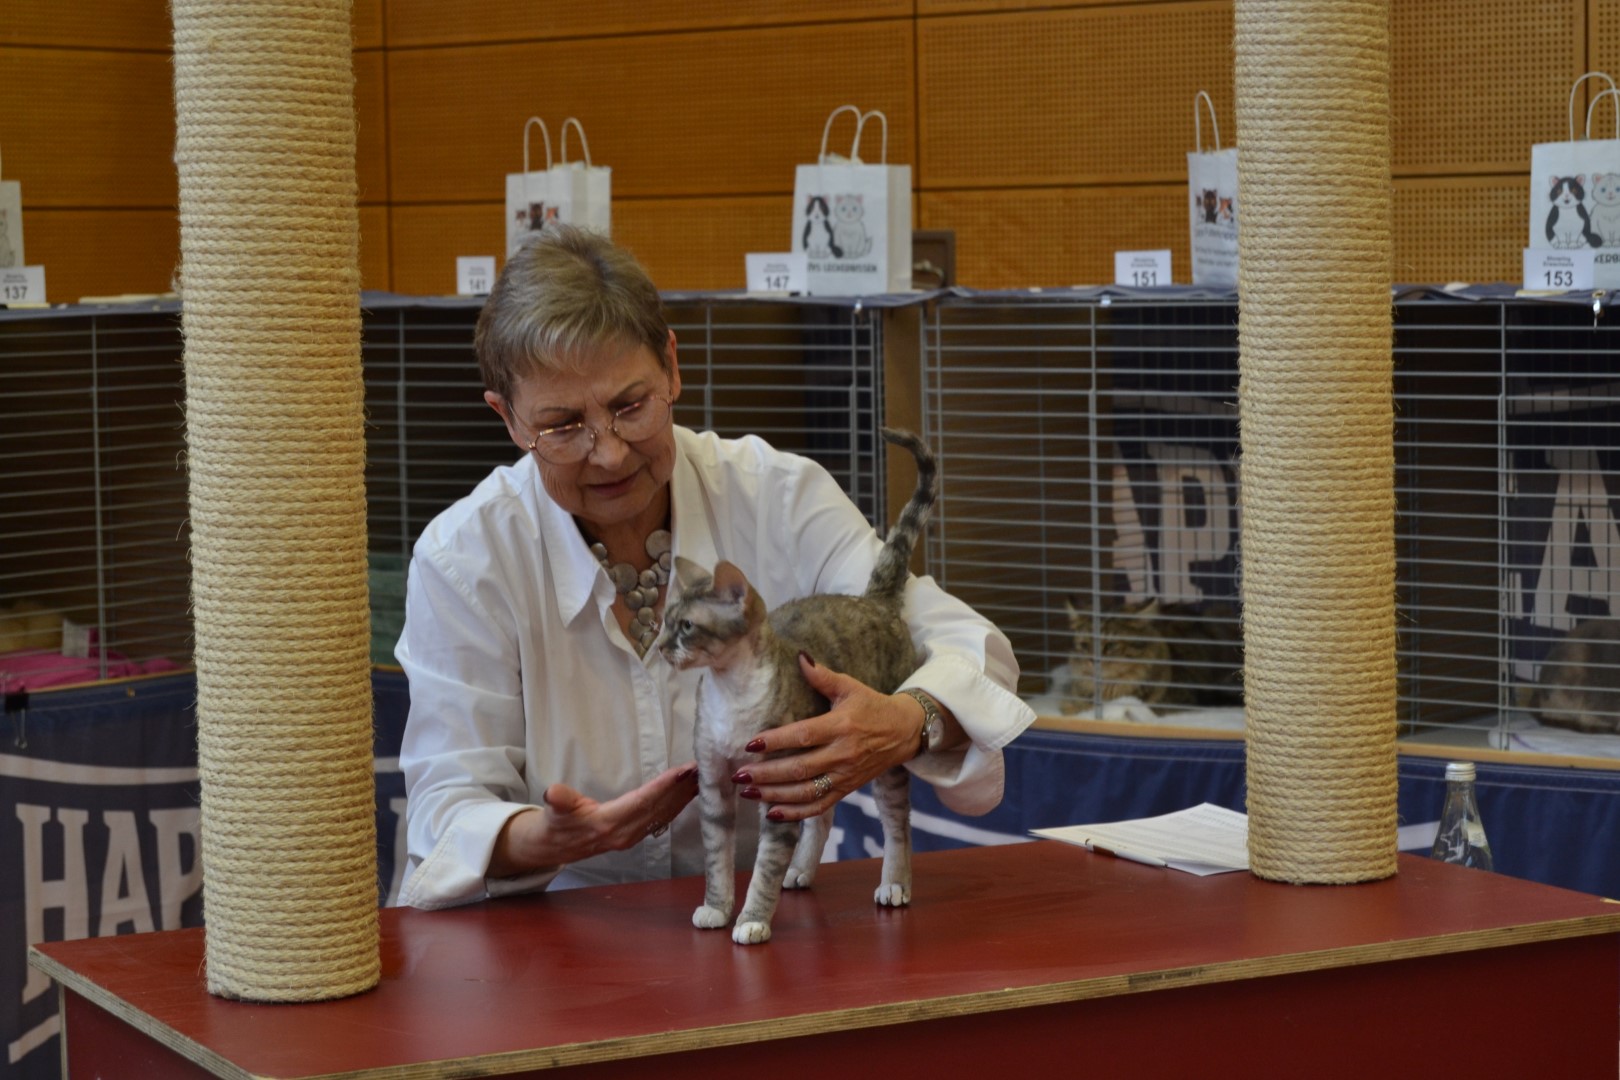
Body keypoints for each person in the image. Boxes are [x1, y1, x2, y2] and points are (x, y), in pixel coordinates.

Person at [396, 225, 1036, 909]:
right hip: (557, 920)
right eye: (561, 426)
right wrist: (549, 838)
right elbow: (447, 805)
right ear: (509, 419)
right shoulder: (465, 558)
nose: (608, 452)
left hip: (759, 914)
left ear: (672, 366)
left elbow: (964, 644)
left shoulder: (777, 495)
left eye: (629, 406)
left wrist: (906, 720)